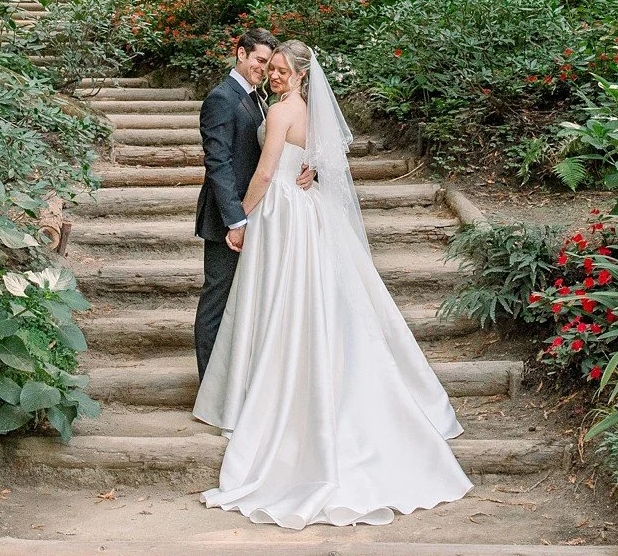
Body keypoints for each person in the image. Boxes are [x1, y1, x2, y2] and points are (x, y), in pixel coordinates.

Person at [193, 39, 471, 529]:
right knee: (287, 299)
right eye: (270, 67)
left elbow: (263, 172)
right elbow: (323, 153)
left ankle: (262, 387)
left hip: (279, 210)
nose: (273, 74)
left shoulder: (281, 111)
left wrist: (245, 217)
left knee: (278, 299)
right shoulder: (294, 107)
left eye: (280, 69)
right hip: (302, 211)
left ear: (300, 74)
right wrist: (309, 168)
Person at [193, 29, 313, 378]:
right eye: (260, 61)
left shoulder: (261, 98)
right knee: (218, 298)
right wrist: (237, 220)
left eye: (272, 64)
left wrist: (309, 168)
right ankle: (208, 385)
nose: (265, 69)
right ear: (241, 54)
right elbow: (218, 164)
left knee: (246, 302)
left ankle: (237, 381)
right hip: (229, 218)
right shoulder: (221, 98)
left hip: (263, 214)